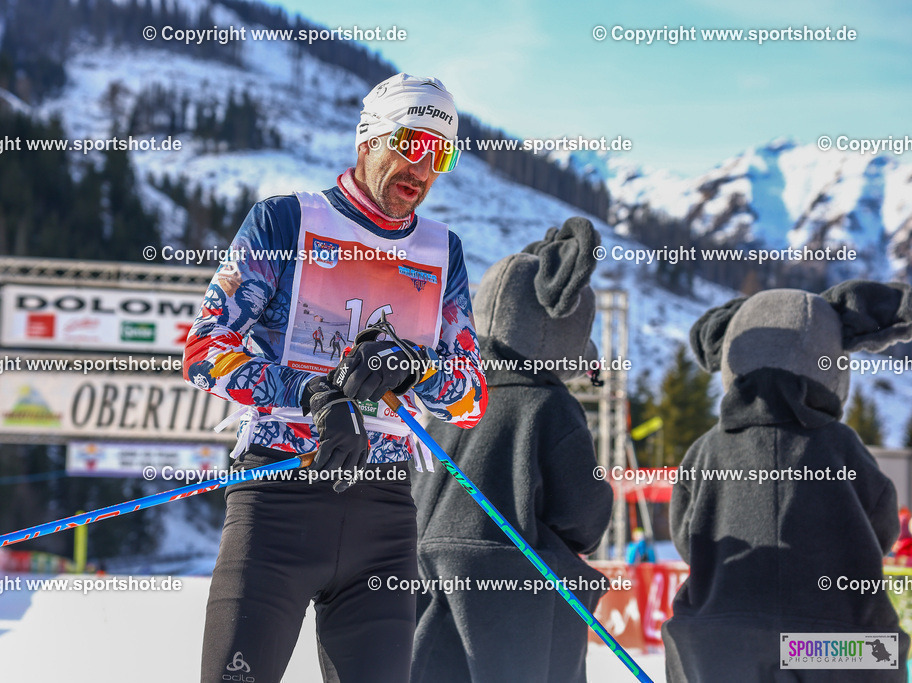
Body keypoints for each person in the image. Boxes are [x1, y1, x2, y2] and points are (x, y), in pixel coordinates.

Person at [184, 72, 487, 683]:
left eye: (442, 153)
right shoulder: (284, 222)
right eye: (411, 142)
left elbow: (470, 400)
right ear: (368, 137)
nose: (424, 168)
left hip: (383, 515)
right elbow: (204, 350)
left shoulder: (441, 251)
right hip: (278, 499)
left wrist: (414, 366)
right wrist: (313, 395)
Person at [664, 281, 912, 681]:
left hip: (720, 642)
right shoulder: (841, 446)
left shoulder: (707, 451)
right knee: (874, 651)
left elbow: (686, 536)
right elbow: (880, 526)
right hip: (834, 644)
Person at [411, 218, 613, 682]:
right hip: (512, 604)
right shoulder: (549, 405)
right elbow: (583, 515)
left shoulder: (449, 402)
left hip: (422, 584)